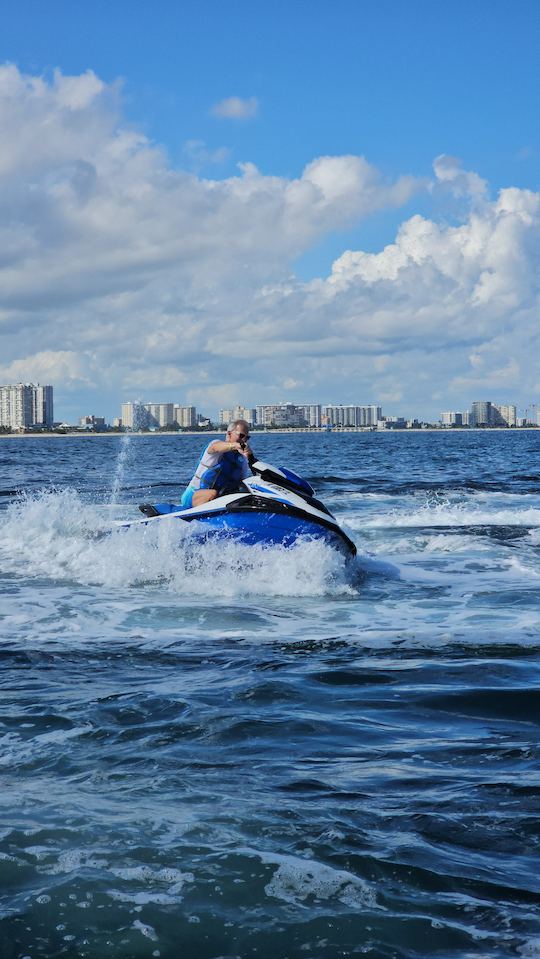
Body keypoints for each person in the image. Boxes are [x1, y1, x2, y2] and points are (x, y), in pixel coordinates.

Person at [180, 420, 256, 508]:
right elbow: (215, 447)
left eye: (247, 438)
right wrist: (236, 445)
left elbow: (243, 483)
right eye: (241, 435)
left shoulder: (242, 461)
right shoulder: (215, 446)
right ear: (229, 434)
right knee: (212, 493)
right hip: (194, 495)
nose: (243, 440)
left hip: (218, 499)